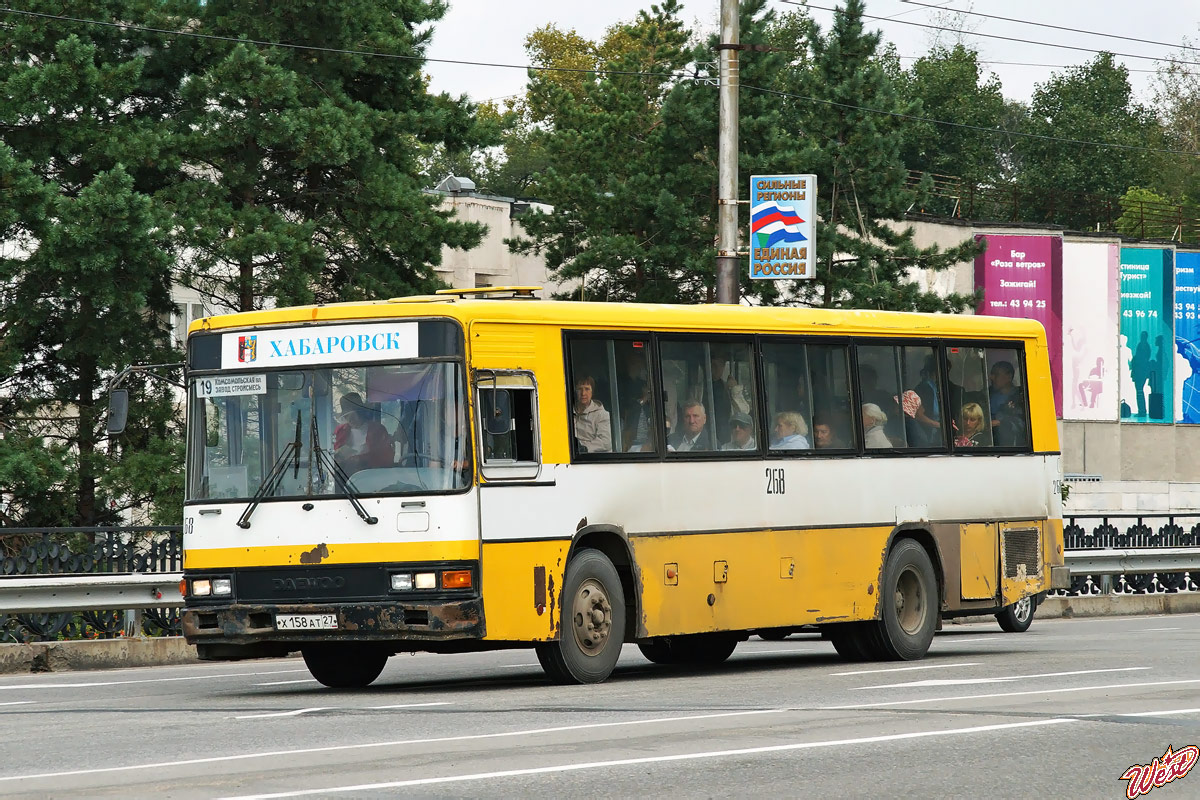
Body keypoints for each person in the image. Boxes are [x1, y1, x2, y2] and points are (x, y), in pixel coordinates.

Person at [334, 392, 394, 472]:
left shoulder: (378, 430)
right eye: (346, 416)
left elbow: (386, 459)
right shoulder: (340, 431)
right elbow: (333, 457)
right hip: (343, 478)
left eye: (352, 415)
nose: (350, 420)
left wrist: (359, 459)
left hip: (370, 476)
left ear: (360, 412)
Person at [573, 376, 612, 454]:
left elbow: (605, 442)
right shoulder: (567, 412)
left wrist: (583, 448)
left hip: (595, 459)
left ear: (592, 392)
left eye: (587, 389)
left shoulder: (602, 414)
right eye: (580, 389)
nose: (583, 393)